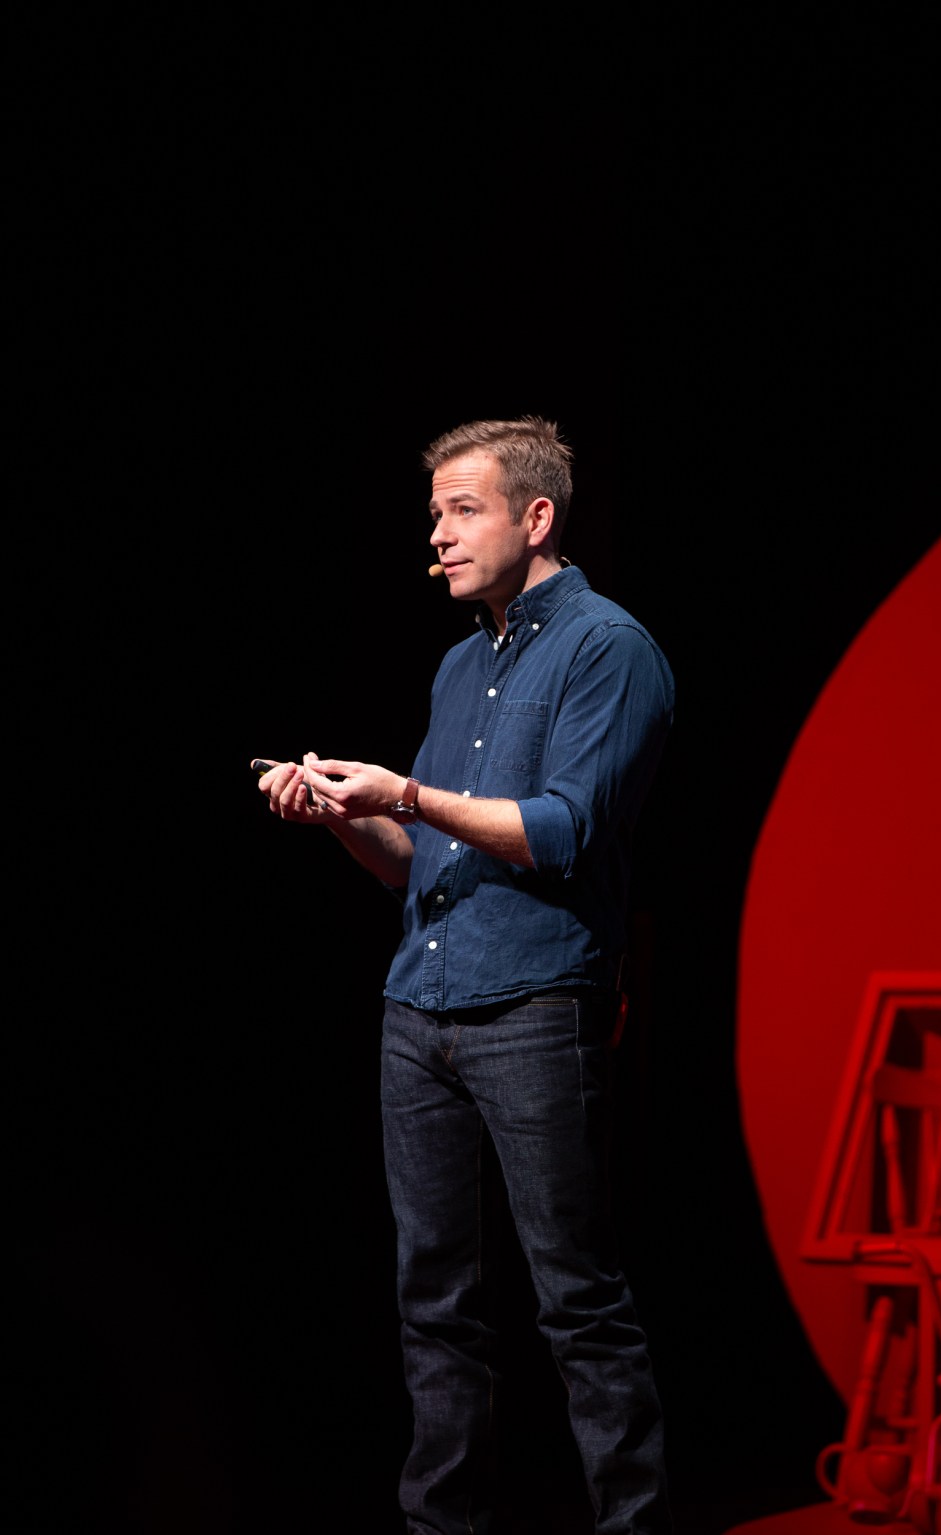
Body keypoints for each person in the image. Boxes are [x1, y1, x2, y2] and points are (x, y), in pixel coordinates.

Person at [252, 415, 675, 1533]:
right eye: (434, 511)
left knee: (575, 1298)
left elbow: (558, 830)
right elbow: (417, 864)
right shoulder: (458, 663)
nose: (435, 533)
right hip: (418, 1006)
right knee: (432, 1302)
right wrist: (345, 814)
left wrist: (404, 793)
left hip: (536, 1005)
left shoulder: (608, 648)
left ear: (536, 518)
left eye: (461, 509)